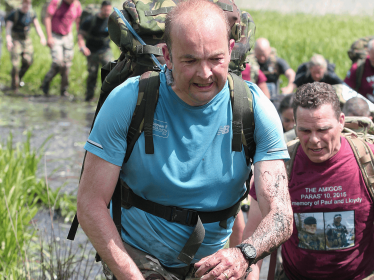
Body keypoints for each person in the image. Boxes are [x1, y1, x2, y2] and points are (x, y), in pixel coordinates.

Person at [76, 1, 293, 279]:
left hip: (213, 262)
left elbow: (281, 214)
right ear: (167, 55)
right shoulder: (129, 101)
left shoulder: (253, 109)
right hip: (138, 256)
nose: (204, 74)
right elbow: (90, 203)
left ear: (229, 50)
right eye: (190, 60)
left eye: (215, 59)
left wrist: (243, 254)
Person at [245, 82, 374, 280]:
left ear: (341, 121)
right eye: (305, 131)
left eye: (323, 130)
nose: (314, 140)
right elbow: (252, 240)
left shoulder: (368, 160)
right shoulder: (279, 166)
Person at [41, 0, 82, 97]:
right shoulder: (56, 2)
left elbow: (78, 21)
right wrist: (49, 37)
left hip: (68, 36)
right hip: (55, 35)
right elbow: (47, 18)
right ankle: (46, 83)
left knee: (66, 65)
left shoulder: (76, 4)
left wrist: (80, 39)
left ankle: (63, 90)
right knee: (57, 62)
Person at [5, 0, 46, 93]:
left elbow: (37, 26)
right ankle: (14, 87)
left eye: (29, 3)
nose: (27, 5)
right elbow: (8, 29)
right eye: (25, 3)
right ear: (22, 3)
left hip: (26, 40)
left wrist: (42, 37)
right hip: (15, 39)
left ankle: (19, 77)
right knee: (15, 64)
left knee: (28, 61)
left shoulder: (31, 13)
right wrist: (9, 41)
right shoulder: (14, 14)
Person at [77, 0, 113, 102]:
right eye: (105, 10)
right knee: (92, 73)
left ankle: (108, 96)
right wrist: (83, 47)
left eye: (109, 11)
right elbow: (80, 35)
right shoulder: (90, 20)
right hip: (91, 50)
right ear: (101, 9)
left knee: (110, 69)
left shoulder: (111, 21)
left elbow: (117, 36)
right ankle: (89, 97)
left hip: (105, 49)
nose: (107, 13)